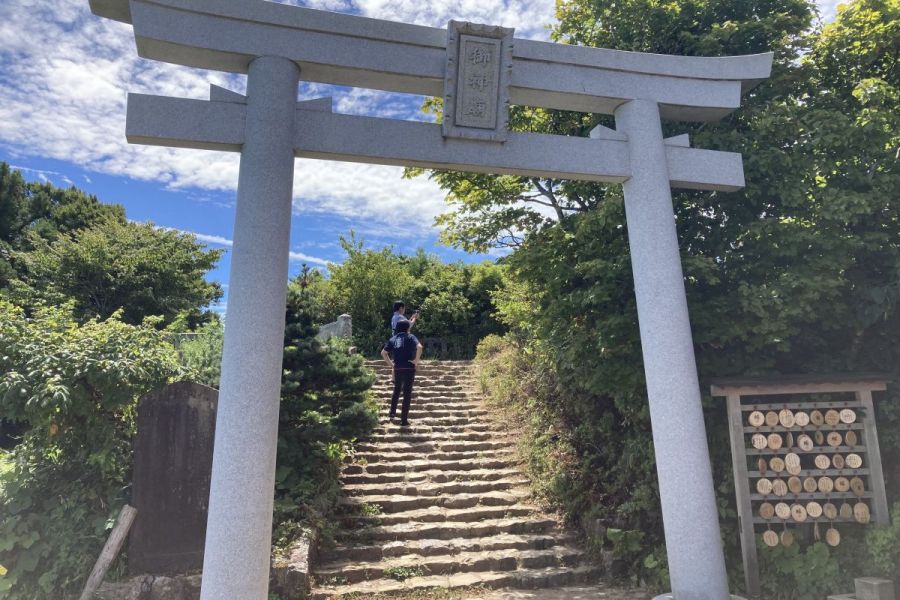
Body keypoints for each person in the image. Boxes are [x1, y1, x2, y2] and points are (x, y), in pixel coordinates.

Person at [380, 319, 423, 426]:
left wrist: (391, 365)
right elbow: (419, 347)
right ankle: (404, 420)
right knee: (407, 393)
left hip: (398, 368)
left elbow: (384, 353)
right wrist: (416, 361)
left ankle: (392, 413)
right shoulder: (411, 337)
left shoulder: (393, 339)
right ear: (407, 328)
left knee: (397, 389)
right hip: (409, 367)